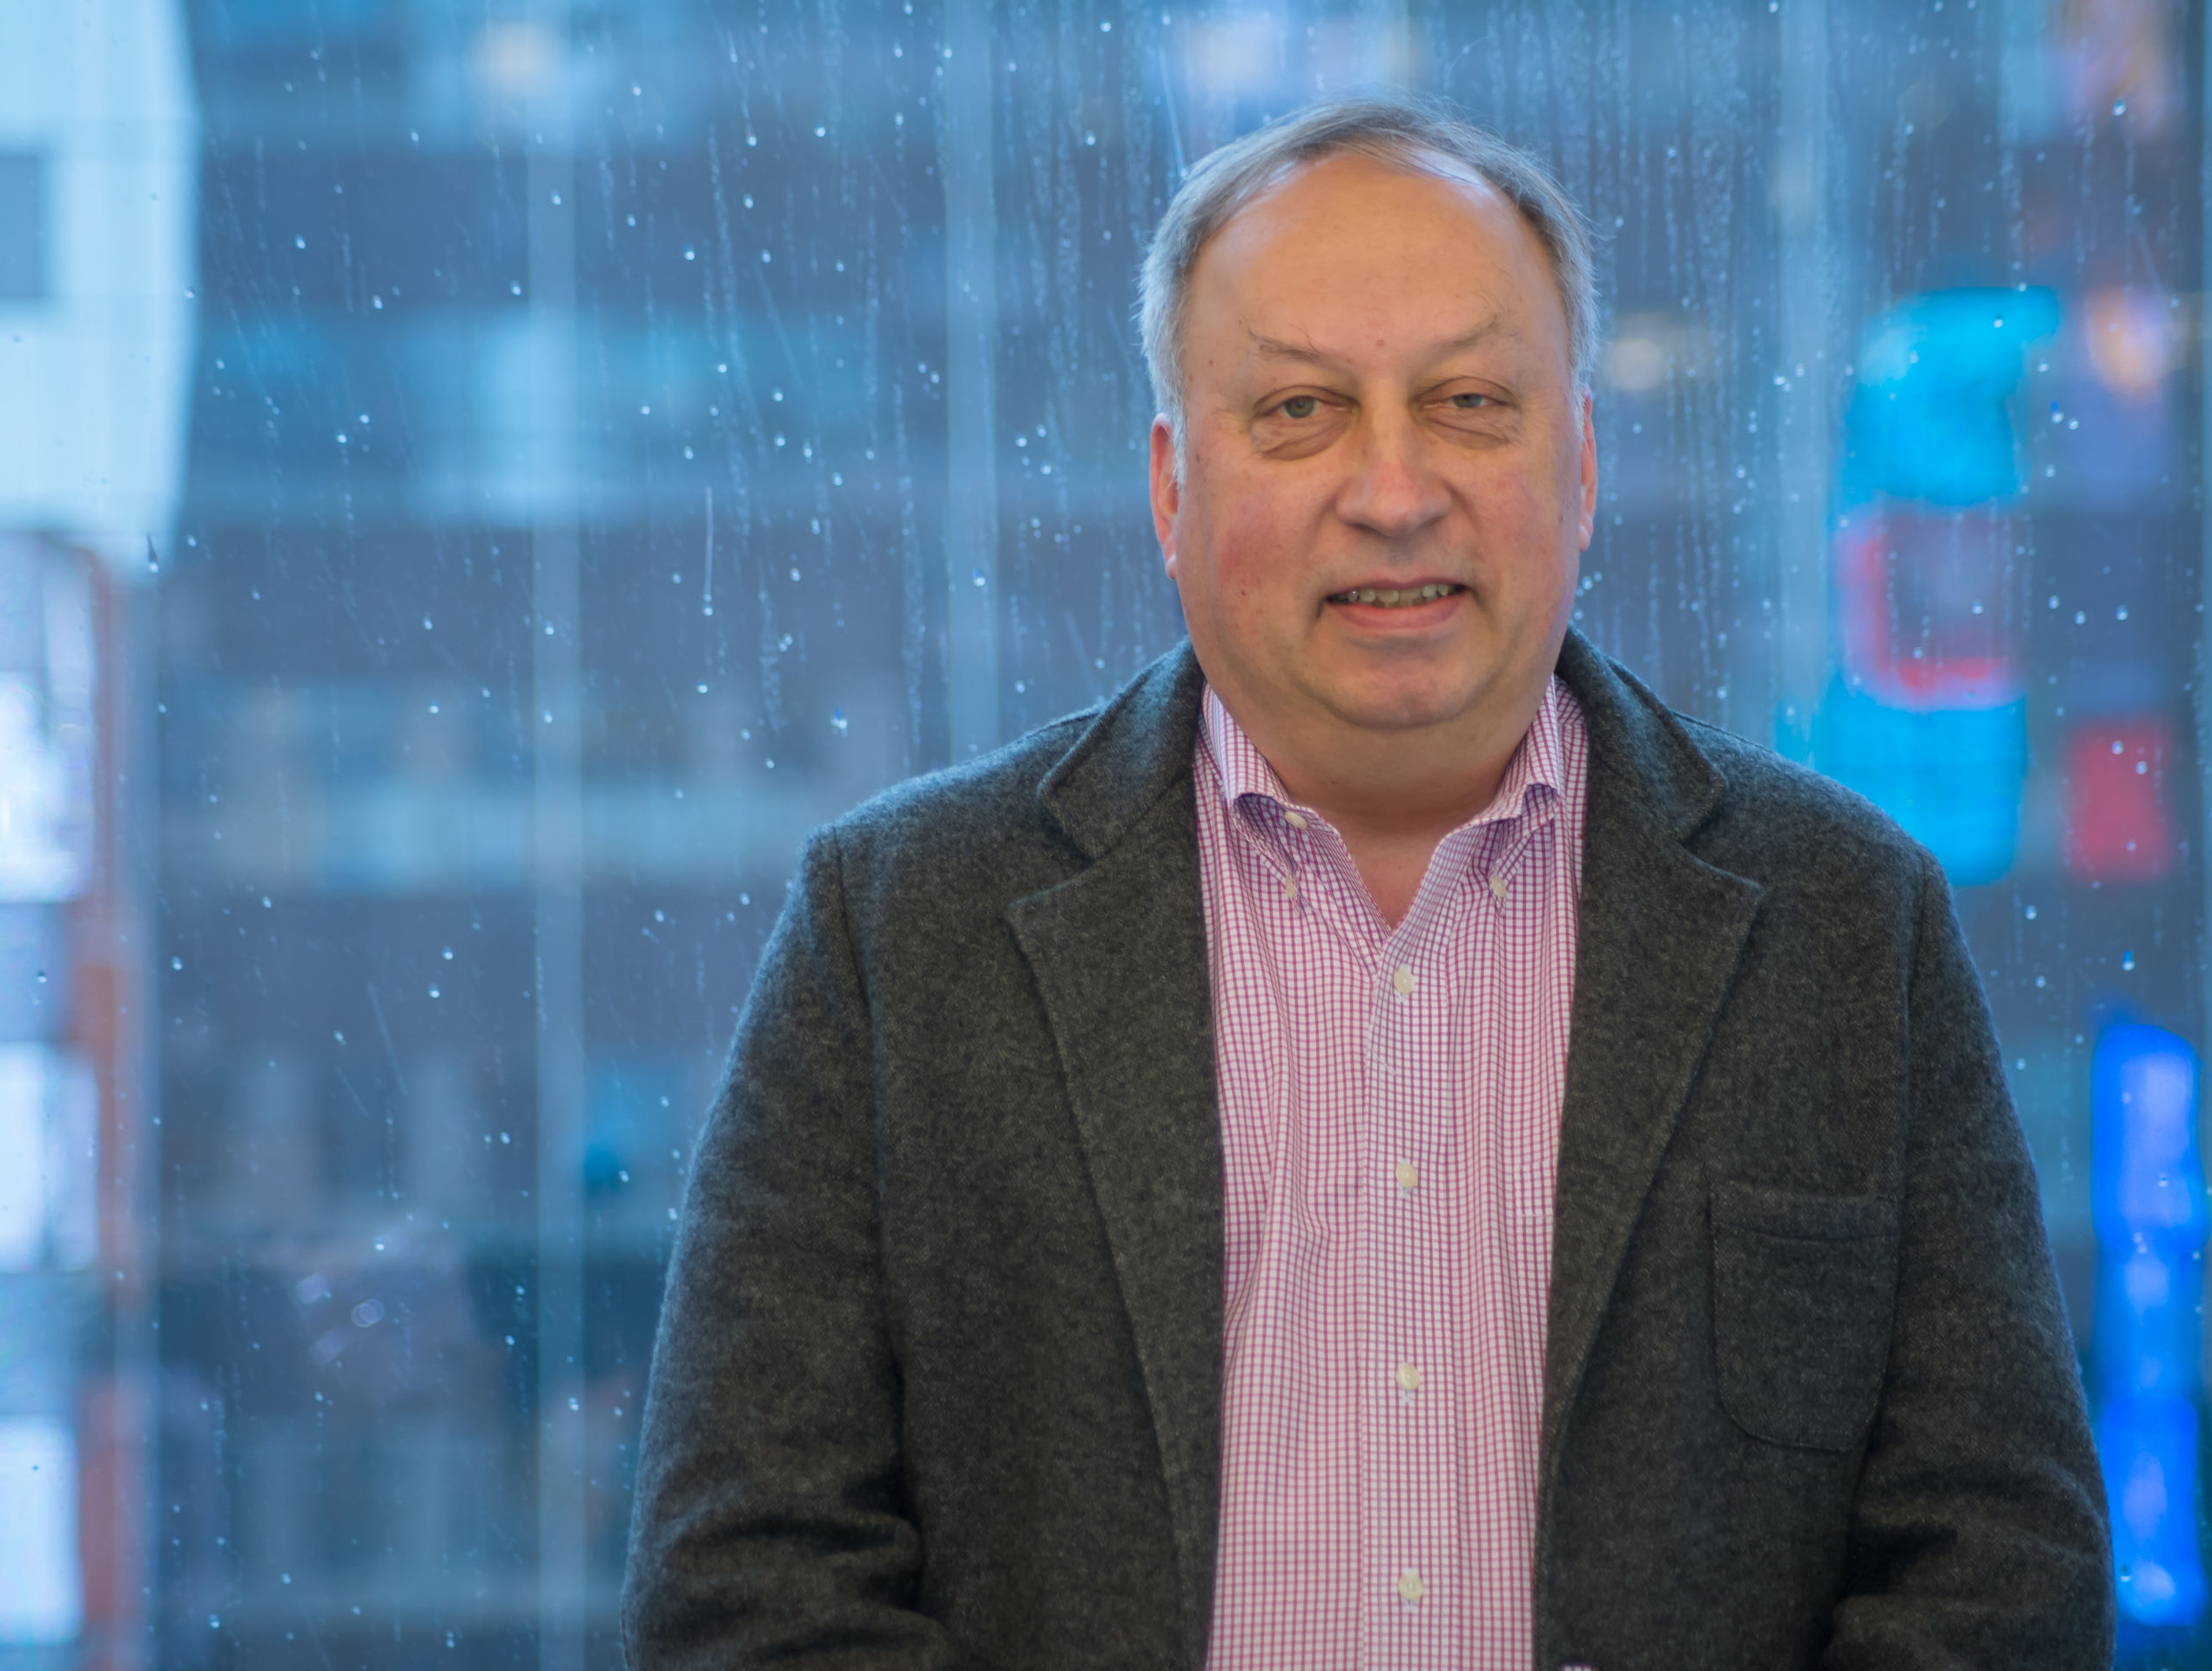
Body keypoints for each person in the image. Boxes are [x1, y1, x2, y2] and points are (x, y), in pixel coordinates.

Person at [623, 97, 2113, 1669]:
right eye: (1299, 411)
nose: (1394, 491)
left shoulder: (1848, 924)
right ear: (1171, 491)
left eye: (1470, 402)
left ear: (1582, 465)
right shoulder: (895, 932)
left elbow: (2001, 1574)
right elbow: (748, 1588)